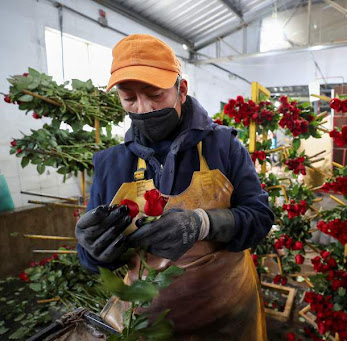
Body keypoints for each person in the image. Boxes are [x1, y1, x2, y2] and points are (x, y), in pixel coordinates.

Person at [74, 34, 274, 340]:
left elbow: (260, 219)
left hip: (228, 314)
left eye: (155, 94)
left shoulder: (224, 148)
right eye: (129, 98)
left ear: (181, 89)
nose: (143, 109)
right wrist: (92, 249)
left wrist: (203, 223)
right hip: (149, 324)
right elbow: (92, 262)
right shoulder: (112, 164)